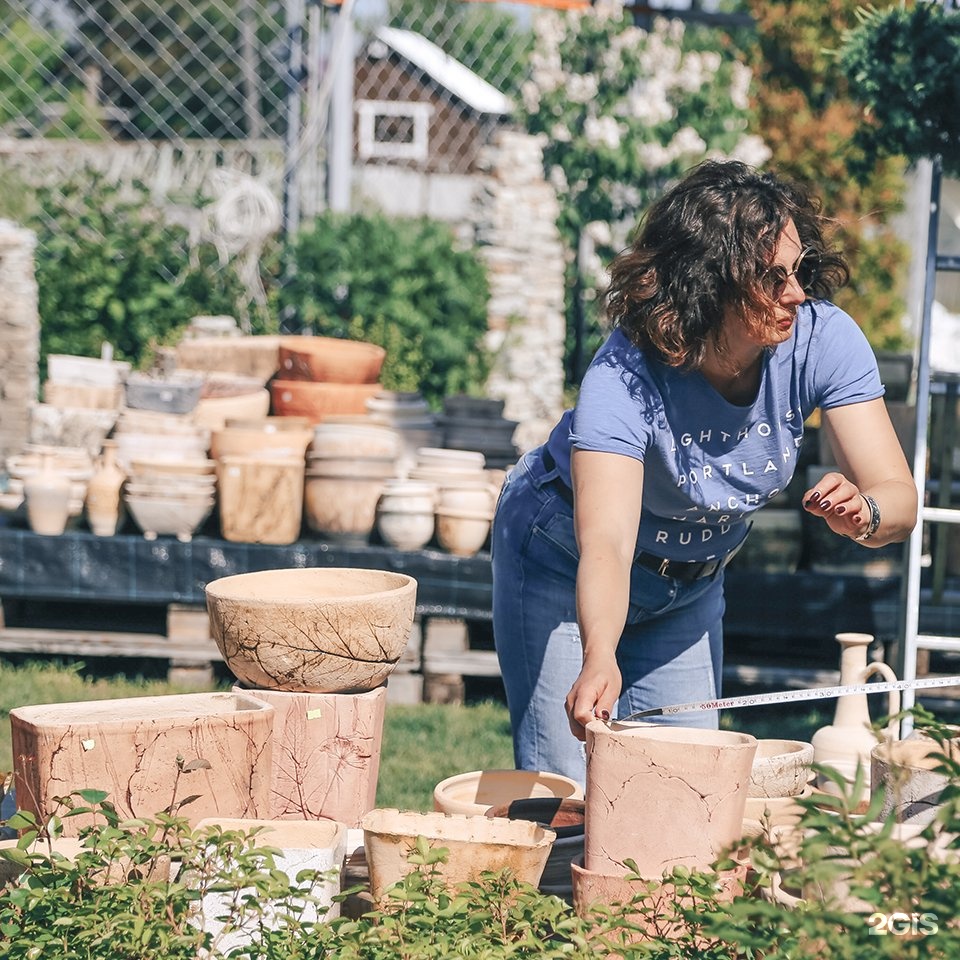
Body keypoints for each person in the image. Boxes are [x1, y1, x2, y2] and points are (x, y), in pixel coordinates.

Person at [491, 159, 918, 787]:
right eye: (772, 278)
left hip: (688, 587)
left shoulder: (822, 339)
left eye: (798, 271)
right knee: (572, 799)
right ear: (708, 284)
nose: (796, 293)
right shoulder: (624, 376)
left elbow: (900, 498)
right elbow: (605, 542)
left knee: (685, 794)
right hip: (561, 557)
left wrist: (868, 512)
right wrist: (599, 653)